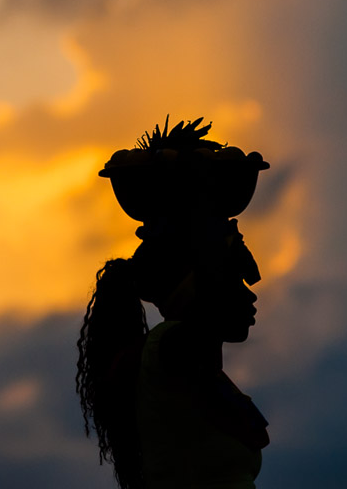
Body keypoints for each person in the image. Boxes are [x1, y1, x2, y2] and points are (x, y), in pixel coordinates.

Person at [76, 117, 270, 489]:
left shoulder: (189, 357)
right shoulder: (173, 346)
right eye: (234, 278)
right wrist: (199, 194)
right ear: (200, 283)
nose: (250, 293)